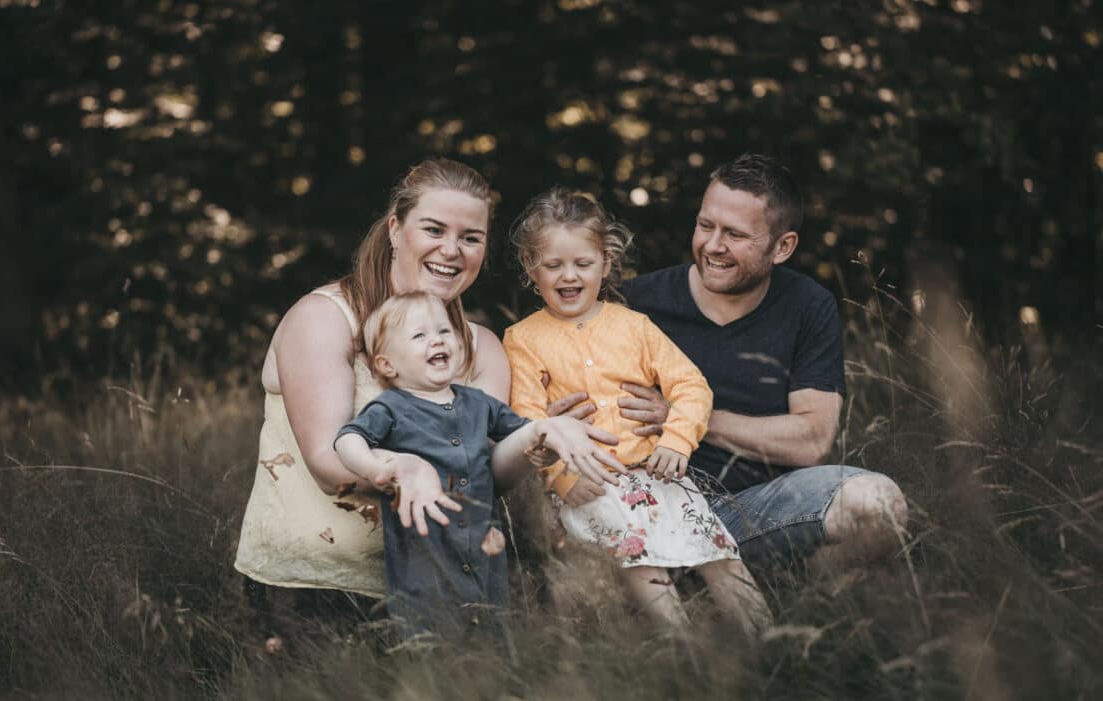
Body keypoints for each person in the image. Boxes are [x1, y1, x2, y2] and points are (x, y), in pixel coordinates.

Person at [236, 158, 619, 617]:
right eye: (434, 230)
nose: (451, 250)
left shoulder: (482, 349)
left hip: (445, 589)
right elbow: (328, 465)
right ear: (396, 230)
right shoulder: (327, 318)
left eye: (470, 238)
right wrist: (401, 468)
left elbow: (484, 475)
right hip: (314, 585)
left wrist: (537, 438)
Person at [558, 154, 907, 577]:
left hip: (758, 506)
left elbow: (811, 440)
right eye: (706, 225)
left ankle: (803, 608)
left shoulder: (808, 306)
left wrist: (685, 417)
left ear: (783, 247)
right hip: (651, 507)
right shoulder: (633, 303)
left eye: (736, 234)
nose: (713, 245)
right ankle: (691, 597)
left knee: (879, 503)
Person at [502, 188, 770, 635]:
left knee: (720, 556)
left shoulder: (634, 326)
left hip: (661, 475)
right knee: (645, 569)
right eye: (553, 265)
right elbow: (529, 421)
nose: (569, 276)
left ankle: (768, 643)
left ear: (605, 265)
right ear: (532, 268)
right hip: (593, 482)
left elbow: (690, 385)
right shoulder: (523, 339)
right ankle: (687, 656)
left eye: (583, 264)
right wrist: (563, 478)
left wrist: (677, 440)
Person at [334, 291, 614, 638]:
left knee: (491, 636)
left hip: (484, 552)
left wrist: (552, 438)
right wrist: (380, 468)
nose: (436, 339)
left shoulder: (478, 403)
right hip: (424, 561)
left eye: (444, 331)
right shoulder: (390, 408)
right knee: (432, 641)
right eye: (419, 336)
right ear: (387, 364)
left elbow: (526, 433)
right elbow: (347, 439)